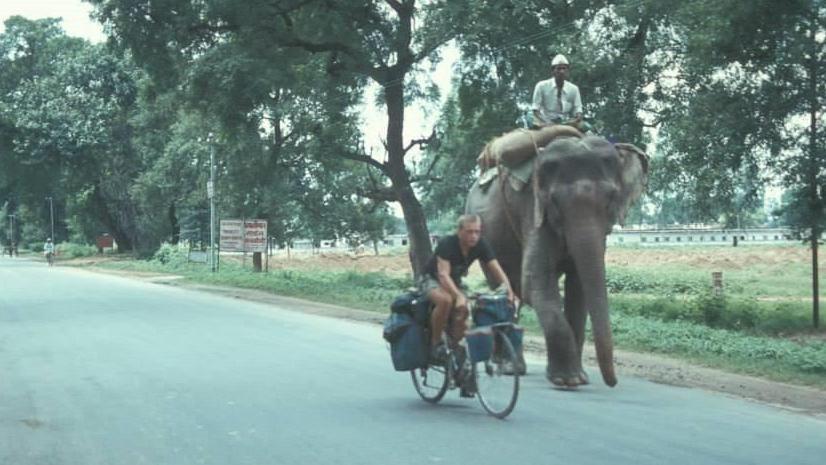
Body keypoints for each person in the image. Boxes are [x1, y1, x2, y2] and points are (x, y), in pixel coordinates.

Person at [419, 214, 515, 363]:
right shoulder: (447, 243)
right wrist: (459, 296)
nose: (474, 236)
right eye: (469, 232)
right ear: (460, 231)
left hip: (454, 281)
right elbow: (443, 275)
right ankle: (435, 344)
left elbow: (496, 268)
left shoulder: (480, 244)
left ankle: (455, 345)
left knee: (465, 309)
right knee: (446, 301)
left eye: (477, 232)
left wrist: (509, 291)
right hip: (432, 278)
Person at [532, 54, 583, 129]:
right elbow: (535, 109)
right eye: (558, 69)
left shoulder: (574, 89)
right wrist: (545, 122)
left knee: (589, 133)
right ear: (553, 71)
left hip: (567, 123)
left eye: (564, 68)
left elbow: (578, 109)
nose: (562, 71)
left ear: (567, 71)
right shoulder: (541, 86)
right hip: (545, 122)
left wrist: (576, 119)